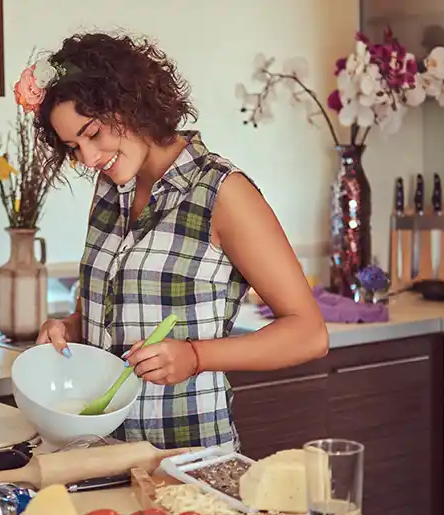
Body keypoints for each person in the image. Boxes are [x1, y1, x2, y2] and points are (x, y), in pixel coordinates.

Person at [18, 32, 329, 450]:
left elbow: (309, 333)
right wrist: (70, 328)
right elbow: (110, 306)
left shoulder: (221, 192)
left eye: (93, 134)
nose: (88, 158)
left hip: (188, 457)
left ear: (130, 101)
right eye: (74, 147)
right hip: (102, 453)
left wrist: (197, 357)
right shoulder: (111, 188)